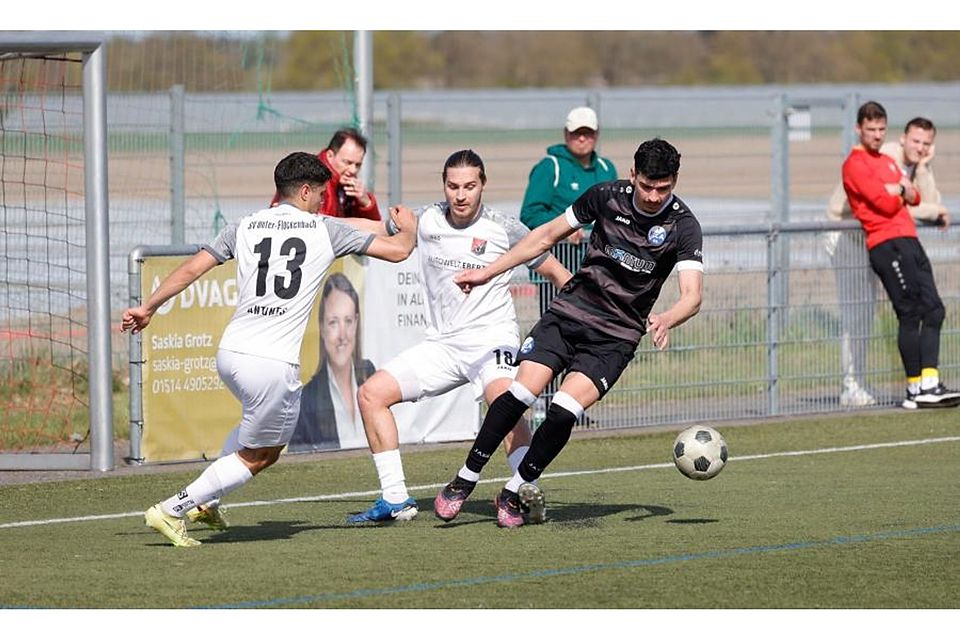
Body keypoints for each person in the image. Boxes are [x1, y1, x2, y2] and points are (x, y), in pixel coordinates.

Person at [121, 151, 416, 547]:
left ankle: (209, 503)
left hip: (231, 354)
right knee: (262, 455)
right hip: (271, 364)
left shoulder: (245, 225)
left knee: (249, 428)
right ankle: (174, 509)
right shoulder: (322, 229)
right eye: (321, 195)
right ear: (307, 191)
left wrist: (148, 307)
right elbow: (398, 252)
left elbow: (193, 268)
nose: (323, 203)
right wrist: (409, 231)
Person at [437, 138, 703, 528]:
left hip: (616, 336)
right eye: (646, 185)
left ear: (674, 181)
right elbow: (544, 236)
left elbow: (693, 296)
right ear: (633, 175)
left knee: (564, 411)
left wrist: (667, 318)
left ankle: (513, 491)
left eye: (662, 188)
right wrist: (487, 272)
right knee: (521, 393)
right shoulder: (606, 197)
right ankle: (464, 479)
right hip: (570, 313)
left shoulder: (683, 226)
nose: (652, 195)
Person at [347, 149, 572, 523]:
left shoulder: (505, 228)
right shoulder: (428, 220)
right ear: (444, 186)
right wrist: (317, 222)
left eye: (469, 186)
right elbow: (374, 229)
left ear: (483, 184)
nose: (461, 195)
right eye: (453, 186)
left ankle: (520, 492)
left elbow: (557, 274)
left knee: (507, 403)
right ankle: (396, 499)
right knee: (371, 394)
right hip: (443, 345)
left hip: (492, 341)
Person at [825, 116, 952, 407]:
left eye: (926, 144)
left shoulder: (912, 162)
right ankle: (852, 386)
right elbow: (897, 204)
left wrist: (923, 168)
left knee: (916, 308)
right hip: (847, 233)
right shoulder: (888, 156)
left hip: (880, 234)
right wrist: (932, 207)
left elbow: (920, 201)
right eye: (916, 142)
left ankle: (919, 385)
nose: (920, 148)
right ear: (903, 139)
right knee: (860, 311)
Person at [520, 106, 618, 418]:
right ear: (566, 134)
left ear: (596, 135)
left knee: (587, 341)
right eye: (577, 133)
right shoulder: (550, 168)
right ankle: (539, 403)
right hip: (556, 271)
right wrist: (565, 230)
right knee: (552, 339)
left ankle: (569, 404)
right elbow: (529, 215)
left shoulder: (606, 168)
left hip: (595, 276)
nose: (582, 138)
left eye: (588, 132)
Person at [288, 272, 375, 452]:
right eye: (333, 323)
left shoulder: (371, 375)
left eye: (348, 321)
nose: (342, 336)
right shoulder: (306, 401)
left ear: (356, 323)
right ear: (321, 327)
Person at [270, 127, 381, 221]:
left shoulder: (348, 188)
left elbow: (372, 230)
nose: (353, 170)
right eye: (347, 162)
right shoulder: (313, 179)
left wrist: (366, 203)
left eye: (358, 165)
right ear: (330, 156)